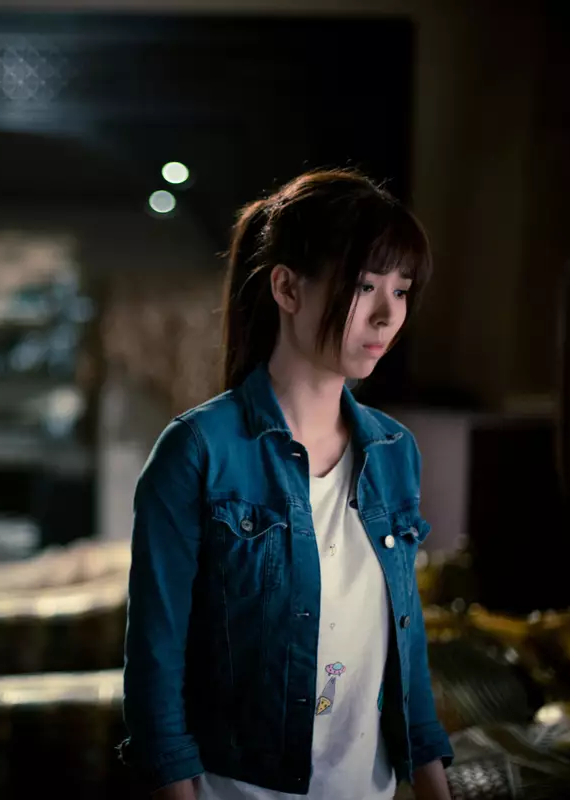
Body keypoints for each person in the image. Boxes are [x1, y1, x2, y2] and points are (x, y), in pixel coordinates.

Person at [119, 170, 453, 800]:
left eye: (402, 291)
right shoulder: (198, 451)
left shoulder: (394, 452)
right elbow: (154, 670)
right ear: (287, 288)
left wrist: (435, 781)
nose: (387, 315)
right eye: (364, 286)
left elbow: (407, 652)